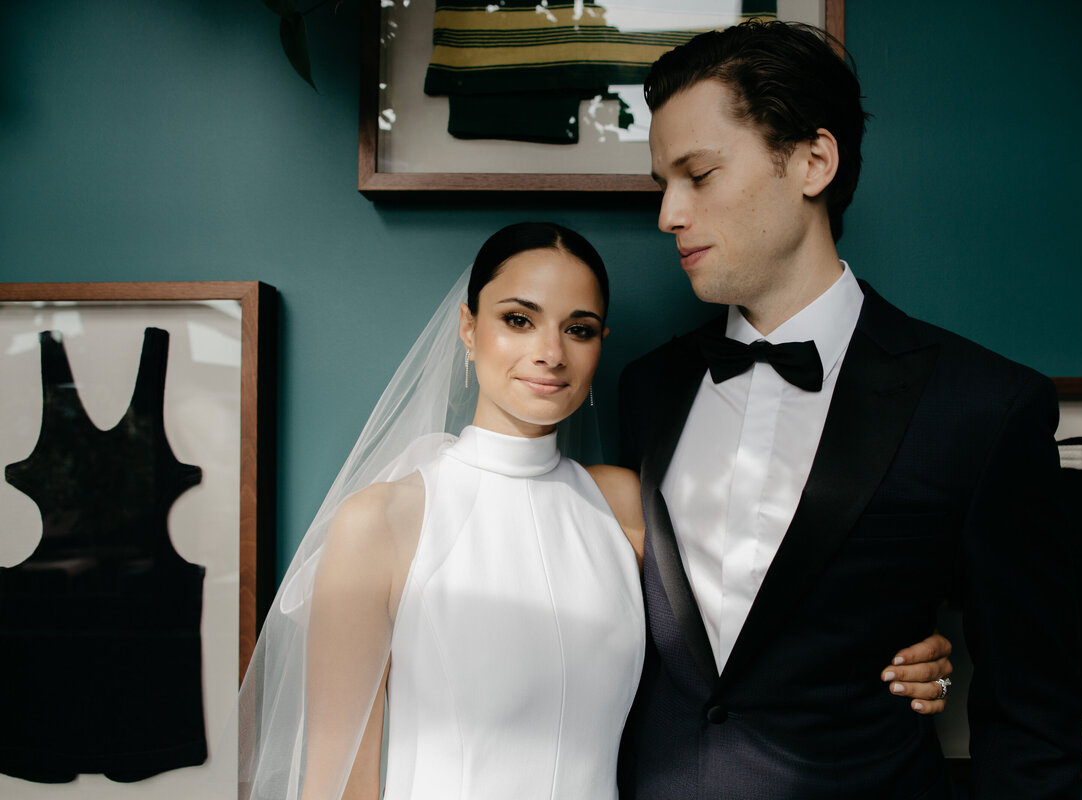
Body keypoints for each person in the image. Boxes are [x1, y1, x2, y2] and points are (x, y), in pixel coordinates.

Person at [236, 222, 955, 800]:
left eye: (578, 329)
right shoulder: (383, 521)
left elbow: (775, 619)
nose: (549, 352)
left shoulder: (623, 504)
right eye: (518, 320)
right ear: (467, 327)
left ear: (600, 345)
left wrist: (915, 654)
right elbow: (336, 779)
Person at [617, 20, 1082, 800]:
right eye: (662, 183)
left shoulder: (983, 406)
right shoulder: (647, 388)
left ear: (813, 161)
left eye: (697, 175)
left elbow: (1032, 710)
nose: (667, 213)